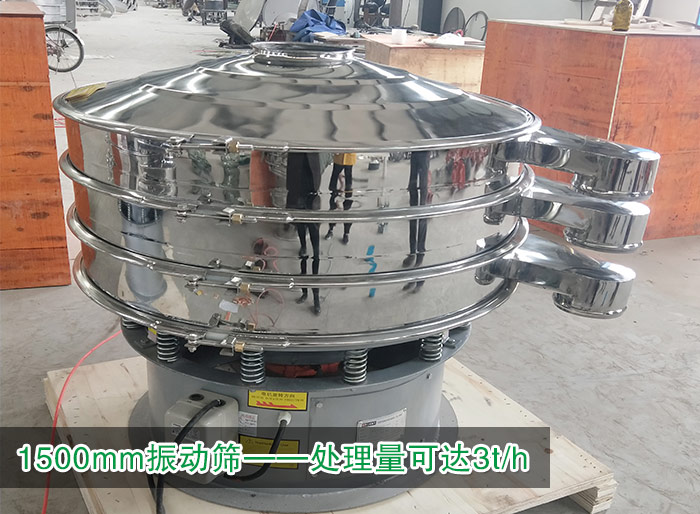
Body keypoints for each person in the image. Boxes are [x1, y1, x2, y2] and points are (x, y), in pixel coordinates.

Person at [286, 152, 323, 315]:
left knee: (316, 257)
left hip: (312, 202)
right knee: (303, 255)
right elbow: (290, 181)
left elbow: (317, 174)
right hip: (298, 201)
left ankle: (316, 298)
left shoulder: (313, 151)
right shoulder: (294, 153)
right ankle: (304, 292)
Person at [325, 153, 356, 245]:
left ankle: (346, 233)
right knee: (333, 208)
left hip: (349, 158)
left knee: (347, 210)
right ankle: (330, 230)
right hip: (339, 158)